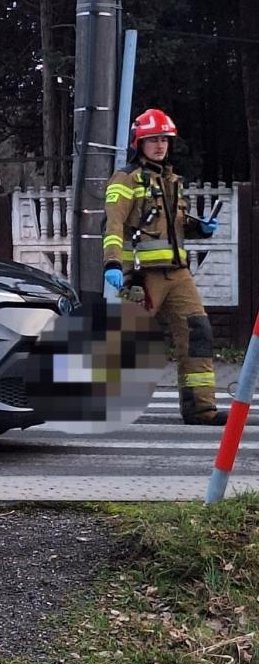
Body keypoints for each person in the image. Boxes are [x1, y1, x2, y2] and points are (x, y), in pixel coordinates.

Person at [102, 107, 226, 426]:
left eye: (164, 140)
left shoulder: (171, 180)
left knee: (198, 332)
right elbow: (113, 224)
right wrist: (113, 263)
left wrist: (199, 228)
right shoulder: (125, 179)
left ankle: (201, 409)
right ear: (138, 143)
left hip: (177, 273)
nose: (160, 145)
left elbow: (173, 223)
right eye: (153, 139)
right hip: (141, 278)